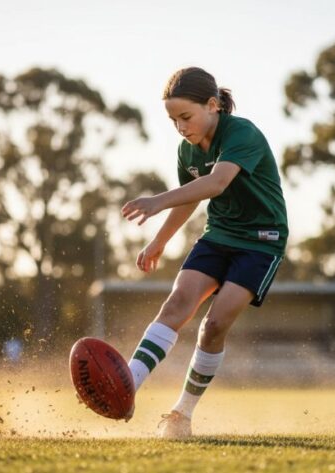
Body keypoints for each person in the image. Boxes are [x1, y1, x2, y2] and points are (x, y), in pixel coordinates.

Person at [120, 67, 288, 438]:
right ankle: (126, 387)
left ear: (212, 105)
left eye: (185, 117)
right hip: (219, 235)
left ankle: (182, 412)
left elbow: (216, 182)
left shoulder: (241, 132)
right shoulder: (187, 149)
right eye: (172, 120)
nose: (180, 127)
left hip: (261, 240)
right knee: (176, 305)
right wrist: (159, 241)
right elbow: (190, 198)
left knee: (213, 327)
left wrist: (157, 201)